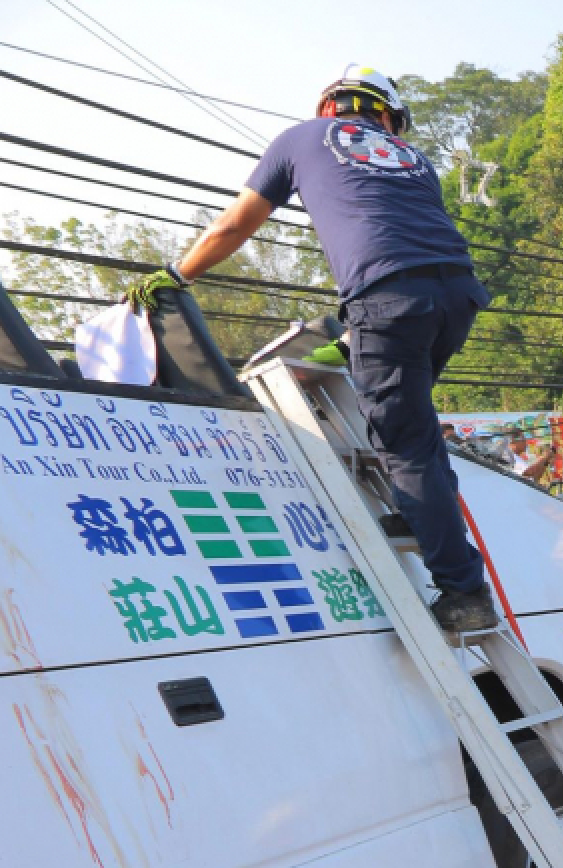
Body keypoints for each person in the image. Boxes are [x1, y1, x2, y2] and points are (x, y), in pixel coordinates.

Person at [126, 66, 496, 631]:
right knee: (417, 432)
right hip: (459, 296)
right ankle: (443, 535)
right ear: (387, 117)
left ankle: (463, 590)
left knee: (405, 446)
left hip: (386, 299)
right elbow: (410, 246)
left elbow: (233, 226)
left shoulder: (300, 138)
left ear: (329, 108)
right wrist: (352, 342)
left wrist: (176, 273)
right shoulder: (414, 160)